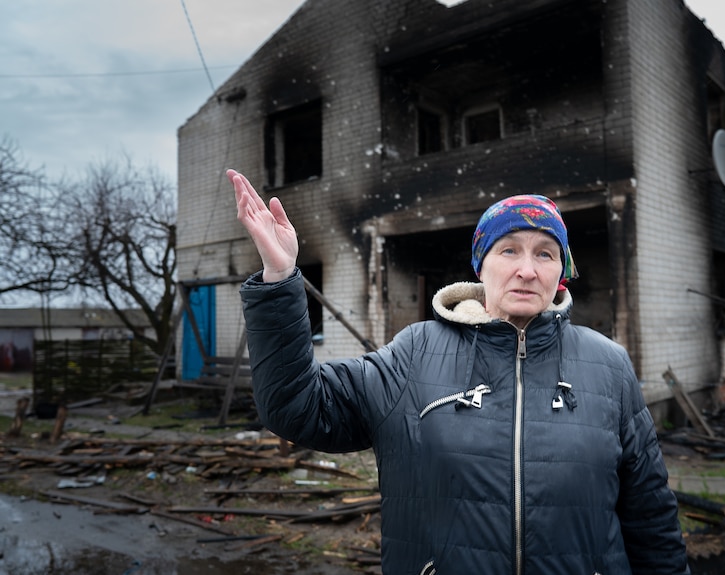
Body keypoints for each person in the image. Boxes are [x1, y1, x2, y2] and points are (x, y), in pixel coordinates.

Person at [228, 168, 690, 575]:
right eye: (509, 250)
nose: (527, 270)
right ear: (481, 264)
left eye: (545, 254)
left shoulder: (608, 364)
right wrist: (280, 278)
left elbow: (650, 517)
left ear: (561, 272)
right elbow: (296, 407)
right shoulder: (416, 353)